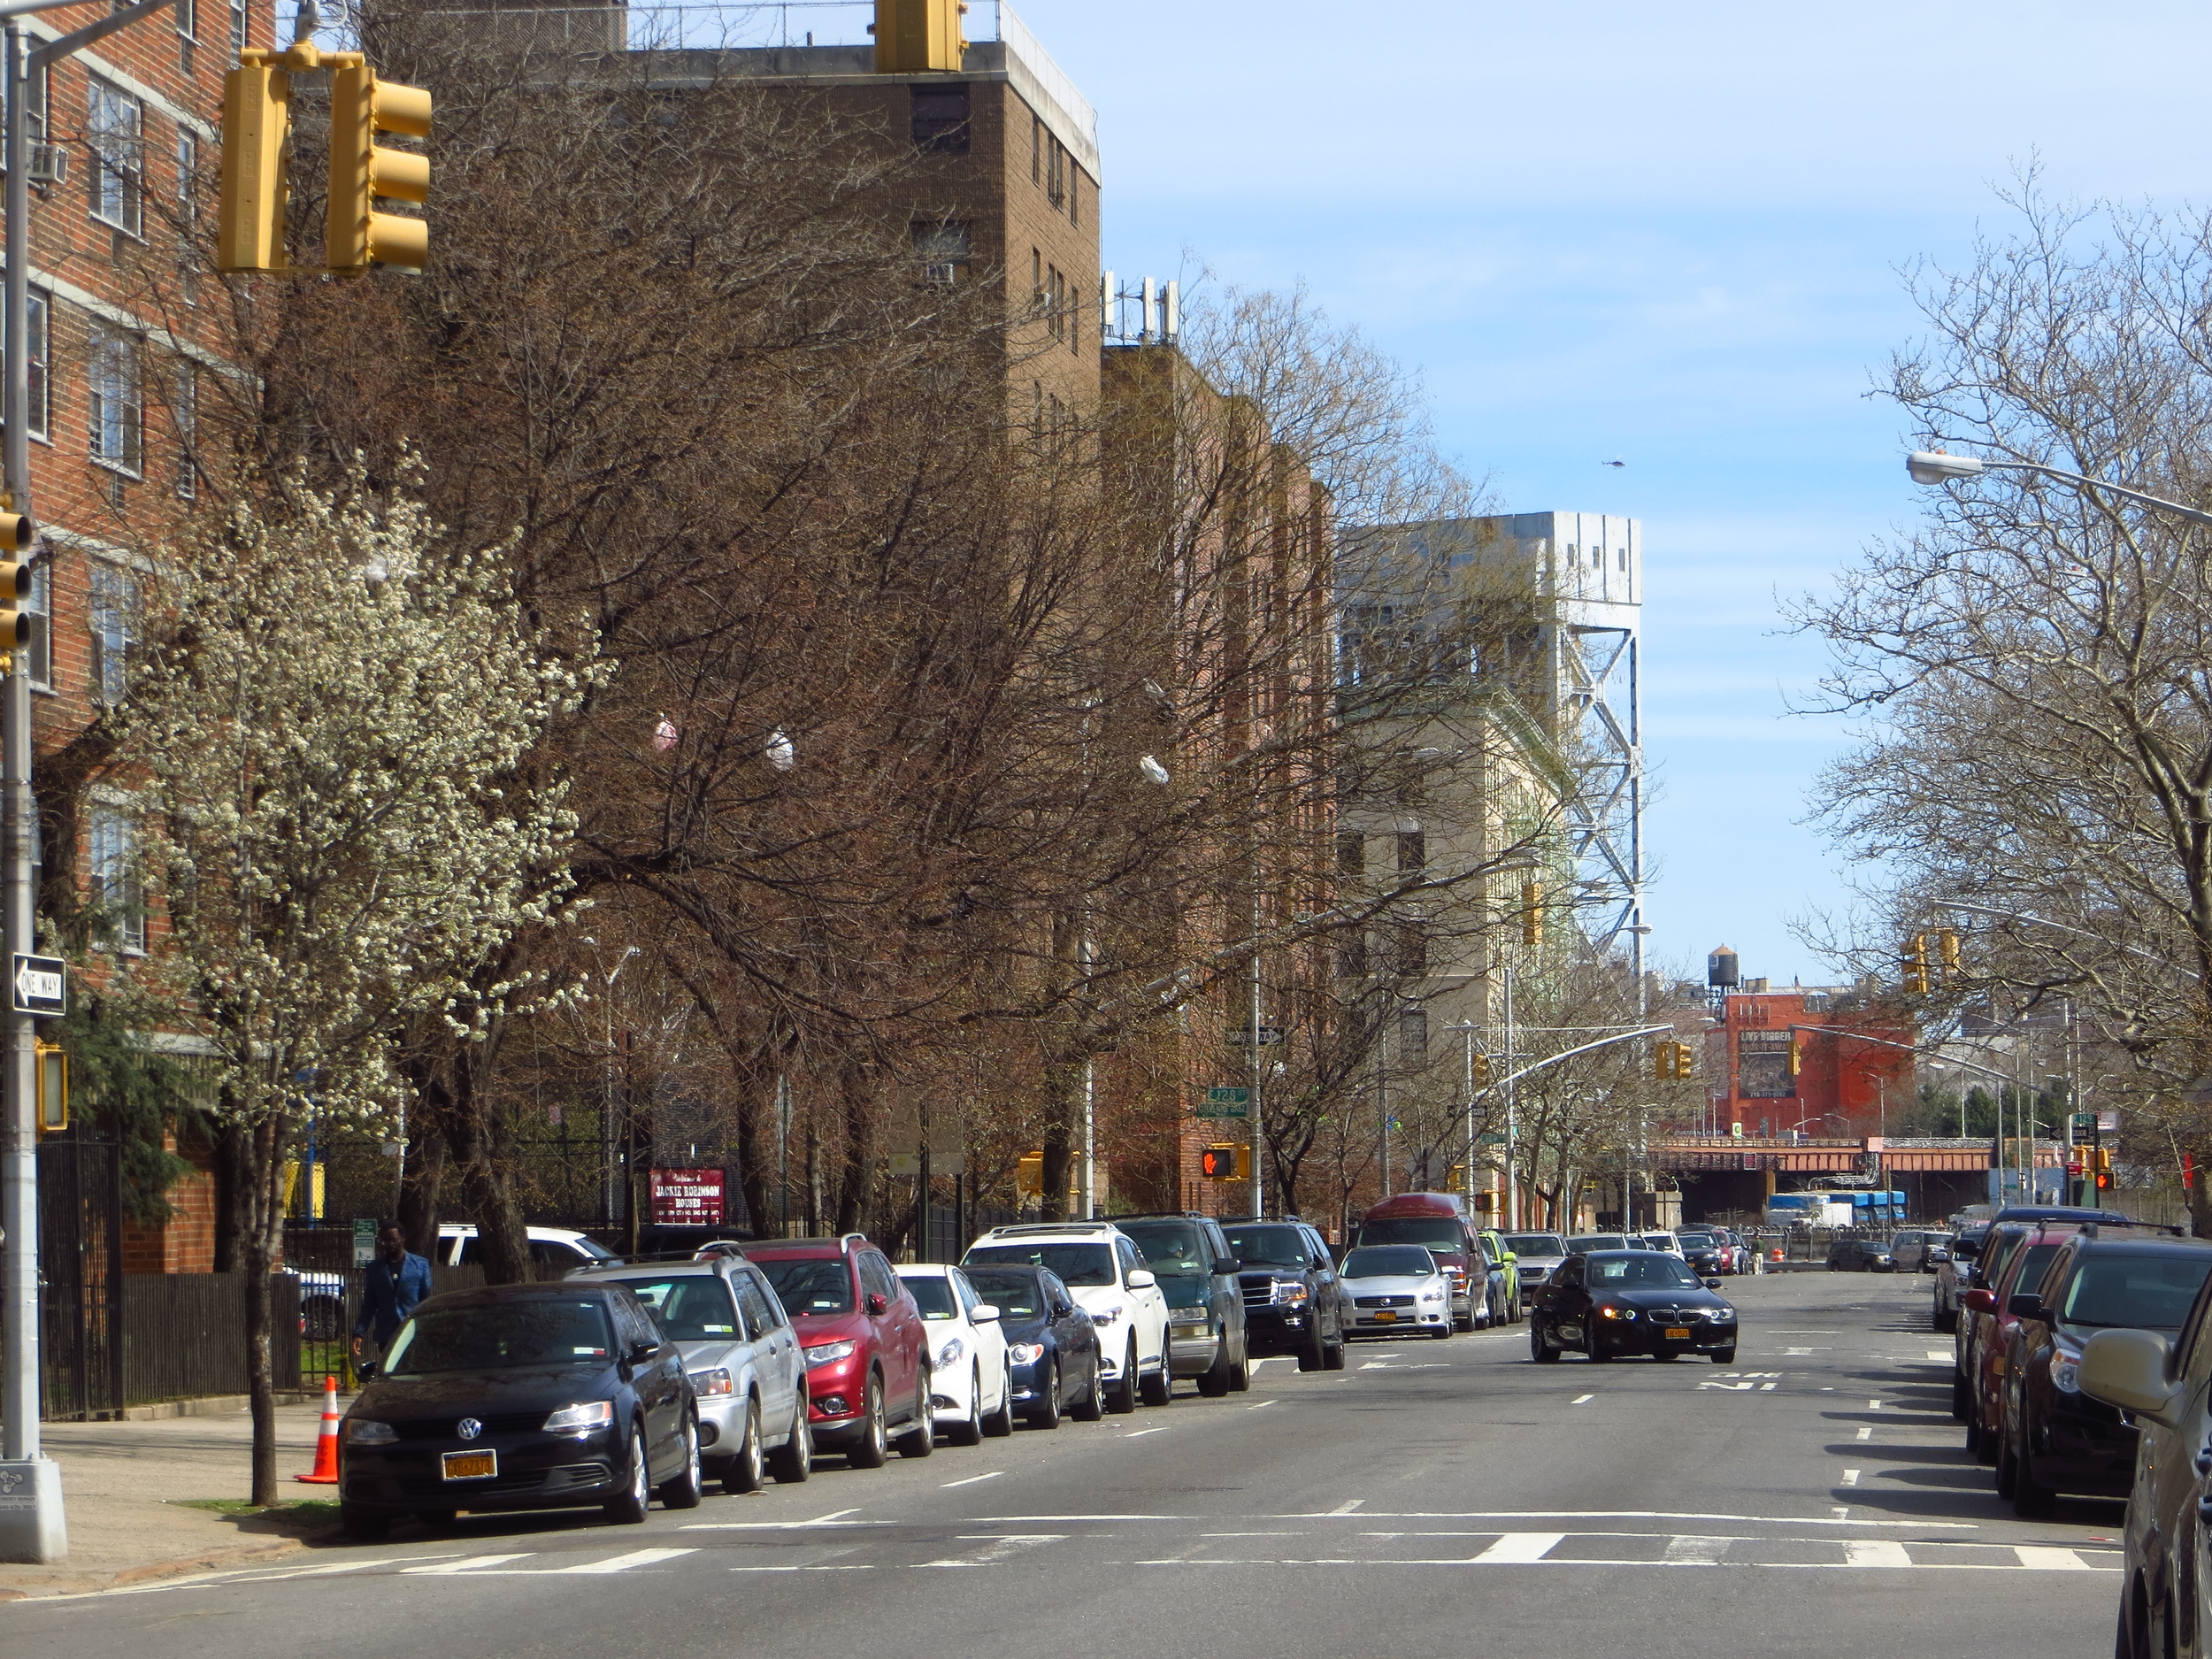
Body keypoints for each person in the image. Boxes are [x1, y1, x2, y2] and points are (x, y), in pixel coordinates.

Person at [352, 1225, 433, 1376]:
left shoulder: (420, 1265)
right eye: (384, 1240)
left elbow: (426, 1300)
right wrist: (359, 1332)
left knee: (411, 1370)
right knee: (391, 1371)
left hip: (412, 1329)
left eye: (393, 1239)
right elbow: (369, 1304)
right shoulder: (375, 1268)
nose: (389, 1244)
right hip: (387, 1332)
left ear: (402, 1238)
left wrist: (427, 1329)